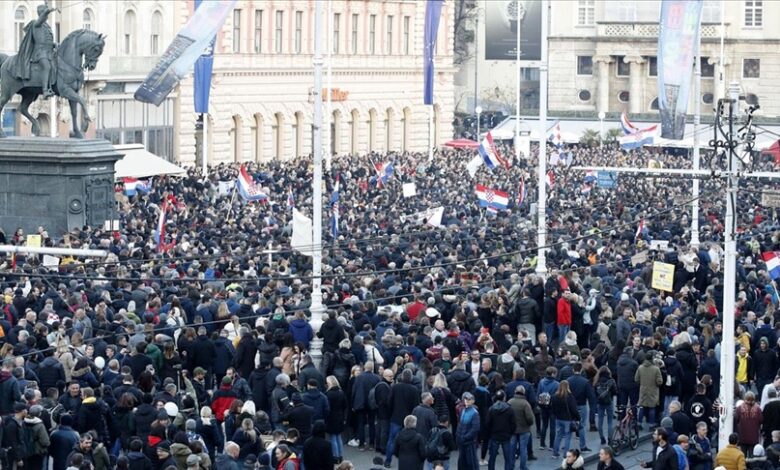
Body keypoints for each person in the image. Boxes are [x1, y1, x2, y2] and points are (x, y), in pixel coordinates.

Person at [14, 1, 58, 98]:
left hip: (49, 52)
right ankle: (45, 90)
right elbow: (41, 19)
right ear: (42, 13)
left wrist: (54, 44)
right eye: (45, 13)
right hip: (40, 53)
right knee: (46, 66)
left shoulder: (47, 26)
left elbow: (47, 40)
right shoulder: (36, 24)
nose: (47, 16)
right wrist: (49, 10)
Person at [485, 390, 515, 470]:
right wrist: (510, 433)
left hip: (494, 435)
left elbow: (487, 423)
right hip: (506, 436)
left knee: (492, 457)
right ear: (504, 398)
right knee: (507, 458)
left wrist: (490, 433)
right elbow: (513, 424)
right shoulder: (509, 409)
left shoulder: (491, 409)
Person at [551, 379, 580, 460]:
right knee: (567, 437)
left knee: (558, 436)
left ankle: (555, 453)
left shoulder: (554, 396)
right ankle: (566, 455)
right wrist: (578, 418)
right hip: (568, 419)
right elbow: (574, 409)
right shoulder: (570, 397)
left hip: (558, 419)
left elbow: (552, 409)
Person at [507, 386, 534, 470]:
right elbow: (530, 418)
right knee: (523, 449)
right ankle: (523, 467)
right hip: (524, 430)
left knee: (512, 449)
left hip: (512, 430)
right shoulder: (525, 403)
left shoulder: (509, 402)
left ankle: (511, 466)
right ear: (524, 392)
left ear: (515, 391)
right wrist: (529, 424)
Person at [635, 352, 663, 430]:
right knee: (652, 408)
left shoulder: (640, 367)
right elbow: (659, 382)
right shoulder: (656, 369)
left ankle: (639, 424)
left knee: (641, 407)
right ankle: (651, 425)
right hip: (653, 391)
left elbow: (636, 379)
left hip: (643, 390)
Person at [456, 392, 480, 470]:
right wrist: (458, 435)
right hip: (462, 441)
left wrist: (465, 437)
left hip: (469, 442)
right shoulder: (463, 410)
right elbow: (460, 424)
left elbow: (475, 429)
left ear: (473, 401)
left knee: (471, 463)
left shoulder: (474, 413)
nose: (466, 400)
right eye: (465, 399)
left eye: (469, 399)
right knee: (462, 462)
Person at [594, 366, 617, 446]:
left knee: (600, 421)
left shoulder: (597, 381)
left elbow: (594, 392)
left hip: (600, 403)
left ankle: (602, 438)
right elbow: (615, 391)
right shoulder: (611, 380)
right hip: (609, 401)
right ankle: (610, 438)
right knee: (610, 421)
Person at [736, 392, 763, 456]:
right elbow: (761, 420)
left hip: (742, 436)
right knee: (752, 456)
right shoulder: (757, 409)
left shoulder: (740, 408)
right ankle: (751, 465)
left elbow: (736, 419)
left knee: (743, 455)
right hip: (754, 436)